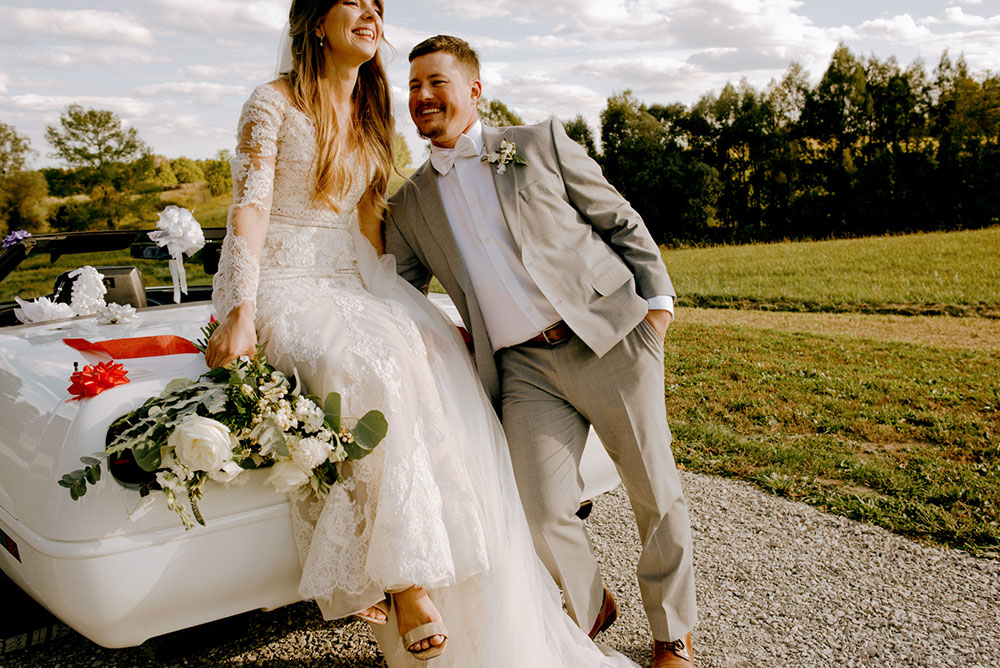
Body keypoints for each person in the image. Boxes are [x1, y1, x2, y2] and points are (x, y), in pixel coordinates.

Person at [206, 2, 639, 666]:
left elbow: (375, 221)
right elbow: (250, 210)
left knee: (436, 353)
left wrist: (408, 304)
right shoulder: (271, 102)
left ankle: (484, 601)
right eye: (353, 2)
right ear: (316, 21)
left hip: (355, 278)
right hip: (283, 281)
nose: (371, 13)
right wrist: (238, 312)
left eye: (377, 5)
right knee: (367, 368)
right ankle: (407, 585)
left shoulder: (374, 110)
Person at [386, 36, 698, 668]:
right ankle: (590, 609)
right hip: (522, 370)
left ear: (474, 89)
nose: (421, 97)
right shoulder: (411, 201)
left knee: (653, 492)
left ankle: (673, 636)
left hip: (608, 338)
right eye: (413, 86)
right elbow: (399, 287)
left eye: (436, 82)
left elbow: (620, 221)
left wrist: (657, 307)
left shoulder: (537, 144)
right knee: (537, 509)